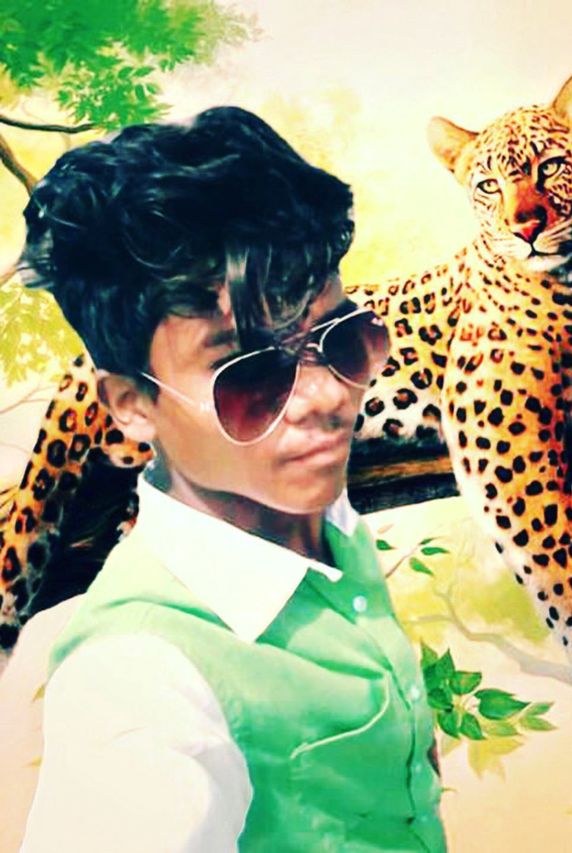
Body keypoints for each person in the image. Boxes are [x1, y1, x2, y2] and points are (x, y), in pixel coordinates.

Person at [17, 107, 446, 852]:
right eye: (250, 375)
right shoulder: (138, 688)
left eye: (343, 337)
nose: (325, 397)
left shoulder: (318, 522)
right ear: (132, 405)